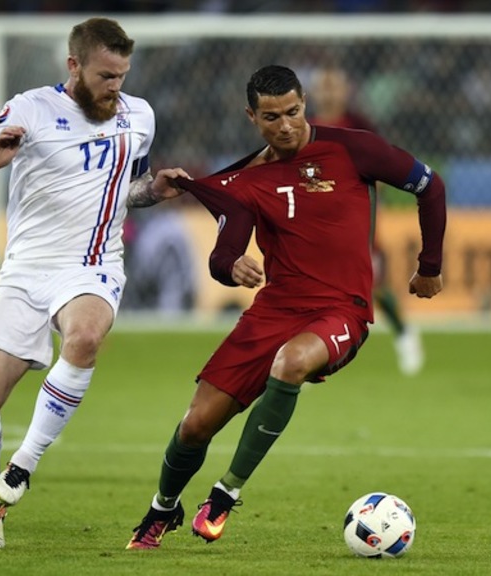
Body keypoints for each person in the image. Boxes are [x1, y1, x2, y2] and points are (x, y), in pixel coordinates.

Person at [125, 64, 446, 550]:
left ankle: (225, 493)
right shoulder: (245, 179)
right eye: (272, 117)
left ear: (304, 104)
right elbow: (223, 250)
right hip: (274, 310)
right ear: (252, 116)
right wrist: (231, 267)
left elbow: (431, 186)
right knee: (195, 425)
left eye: (294, 112)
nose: (286, 125)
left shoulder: (352, 147)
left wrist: (430, 264)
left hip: (342, 308)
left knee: (291, 362)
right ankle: (163, 509)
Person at [0, 17, 187, 548]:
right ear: (73, 65)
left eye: (122, 75)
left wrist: (154, 188)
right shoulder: (29, 108)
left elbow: (127, 189)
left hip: (93, 262)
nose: (115, 88)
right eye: (105, 76)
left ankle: (24, 465)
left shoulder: (139, 116)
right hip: (26, 270)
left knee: (85, 337)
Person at [309, 65, 423, 374]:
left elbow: (383, 170)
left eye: (335, 86)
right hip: (317, 224)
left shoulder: (359, 127)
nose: (329, 92)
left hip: (356, 222)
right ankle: (309, 355)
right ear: (313, 93)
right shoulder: (304, 128)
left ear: (346, 91)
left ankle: (403, 333)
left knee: (371, 285)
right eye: (324, 86)